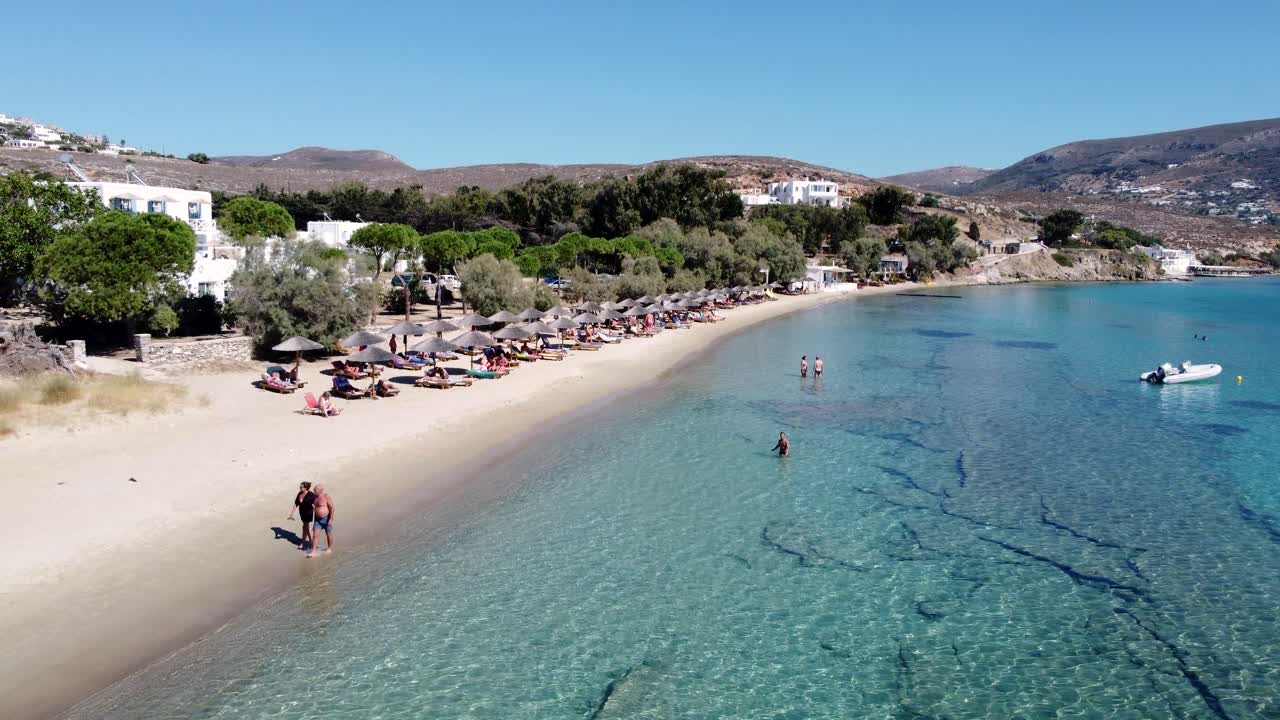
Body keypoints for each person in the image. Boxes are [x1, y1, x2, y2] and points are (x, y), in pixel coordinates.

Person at [287, 481, 316, 552]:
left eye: (301, 487)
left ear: (306, 488)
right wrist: (291, 513)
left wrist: (317, 513)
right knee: (306, 526)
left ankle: (303, 543)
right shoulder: (299, 493)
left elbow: (315, 504)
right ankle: (311, 540)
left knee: (304, 527)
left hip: (308, 513)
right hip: (302, 513)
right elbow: (296, 503)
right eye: (300, 486)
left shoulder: (311, 495)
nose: (300, 488)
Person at [310, 484, 334, 556]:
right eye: (314, 490)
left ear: (320, 490)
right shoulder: (314, 497)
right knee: (315, 535)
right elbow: (312, 505)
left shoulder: (326, 496)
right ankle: (314, 551)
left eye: (315, 490)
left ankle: (329, 548)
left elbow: (332, 508)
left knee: (328, 534)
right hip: (317, 520)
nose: (313, 491)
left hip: (326, 518)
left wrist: (331, 519)